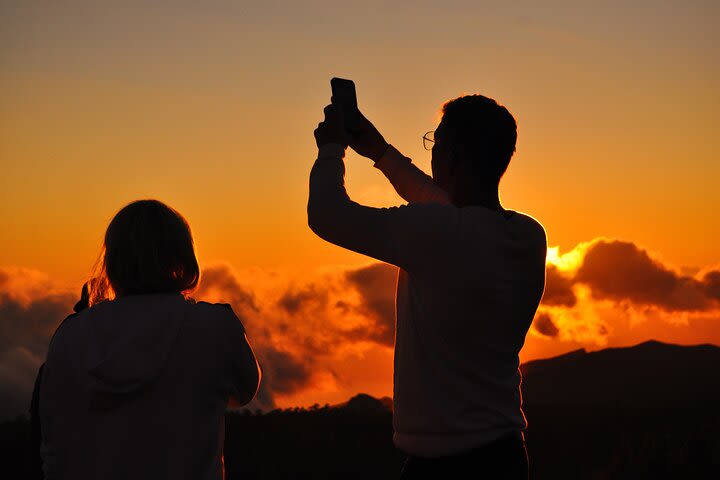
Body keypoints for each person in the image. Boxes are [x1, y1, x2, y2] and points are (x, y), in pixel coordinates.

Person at [308, 92, 546, 479]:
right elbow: (446, 205)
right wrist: (380, 151)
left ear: (454, 157)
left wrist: (332, 148)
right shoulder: (529, 235)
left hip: (444, 468)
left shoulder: (439, 234)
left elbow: (327, 214)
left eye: (436, 143)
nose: (432, 153)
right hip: (505, 456)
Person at [37, 199, 261, 480]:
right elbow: (245, 390)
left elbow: (52, 440)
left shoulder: (69, 336)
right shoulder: (215, 327)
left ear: (112, 262)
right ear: (182, 257)